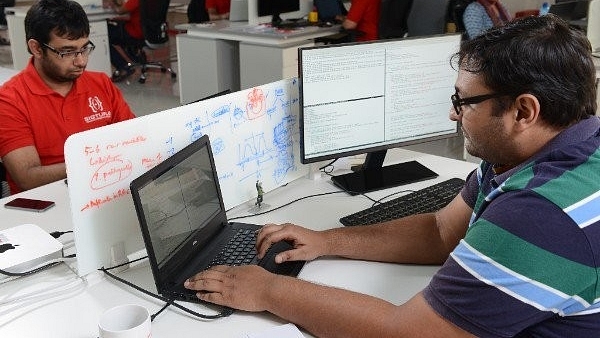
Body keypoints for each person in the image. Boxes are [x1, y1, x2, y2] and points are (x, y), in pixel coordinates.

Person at [184, 14, 600, 337]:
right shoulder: (539, 151)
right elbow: (442, 231)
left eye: (465, 101)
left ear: (523, 112)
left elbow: (410, 333)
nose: (453, 113)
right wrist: (327, 241)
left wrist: (269, 291)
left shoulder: (542, 212)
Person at [0, 0, 136, 195]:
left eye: (84, 48)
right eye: (67, 52)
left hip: (105, 189)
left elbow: (135, 141)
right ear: (37, 49)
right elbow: (27, 178)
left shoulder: (101, 84)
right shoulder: (10, 100)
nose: (81, 61)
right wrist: (99, 163)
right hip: (47, 203)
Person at [107, 0, 143, 82]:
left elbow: (120, 11)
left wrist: (112, 4)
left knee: (106, 35)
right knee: (114, 32)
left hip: (134, 32)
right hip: (151, 33)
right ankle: (131, 60)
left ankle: (123, 66)